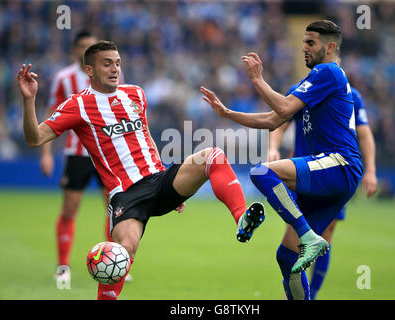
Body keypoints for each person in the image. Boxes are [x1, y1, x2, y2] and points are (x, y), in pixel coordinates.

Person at [17, 40, 265, 300]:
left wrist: (174, 189)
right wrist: (29, 100)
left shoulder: (135, 93)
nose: (115, 68)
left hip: (158, 180)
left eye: (117, 63)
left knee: (214, 156)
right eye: (106, 64)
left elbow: (145, 138)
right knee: (122, 254)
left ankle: (241, 219)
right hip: (125, 195)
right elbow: (35, 139)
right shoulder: (78, 105)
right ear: (89, 70)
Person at [201, 20, 363, 300]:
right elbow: (274, 119)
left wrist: (256, 80)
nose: (304, 48)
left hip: (340, 163)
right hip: (333, 171)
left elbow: (284, 107)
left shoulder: (329, 72)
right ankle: (308, 243)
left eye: (311, 42)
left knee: (262, 172)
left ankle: (309, 237)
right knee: (287, 257)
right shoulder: (313, 81)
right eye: (303, 42)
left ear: (331, 46)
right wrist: (228, 114)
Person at [268, 57, 378, 299]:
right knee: (293, 241)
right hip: (301, 171)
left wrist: (370, 169)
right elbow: (280, 124)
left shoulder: (351, 96)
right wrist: (273, 148)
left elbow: (364, 133)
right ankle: (297, 293)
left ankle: (311, 294)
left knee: (325, 233)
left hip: (332, 172)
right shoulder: (300, 91)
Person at [38, 30, 111, 289]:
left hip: (107, 154)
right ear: (75, 50)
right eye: (82, 46)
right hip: (77, 154)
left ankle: (117, 263)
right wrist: (46, 153)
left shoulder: (111, 74)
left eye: (90, 47)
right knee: (70, 210)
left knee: (115, 210)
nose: (85, 50)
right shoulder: (64, 77)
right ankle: (63, 266)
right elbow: (52, 115)